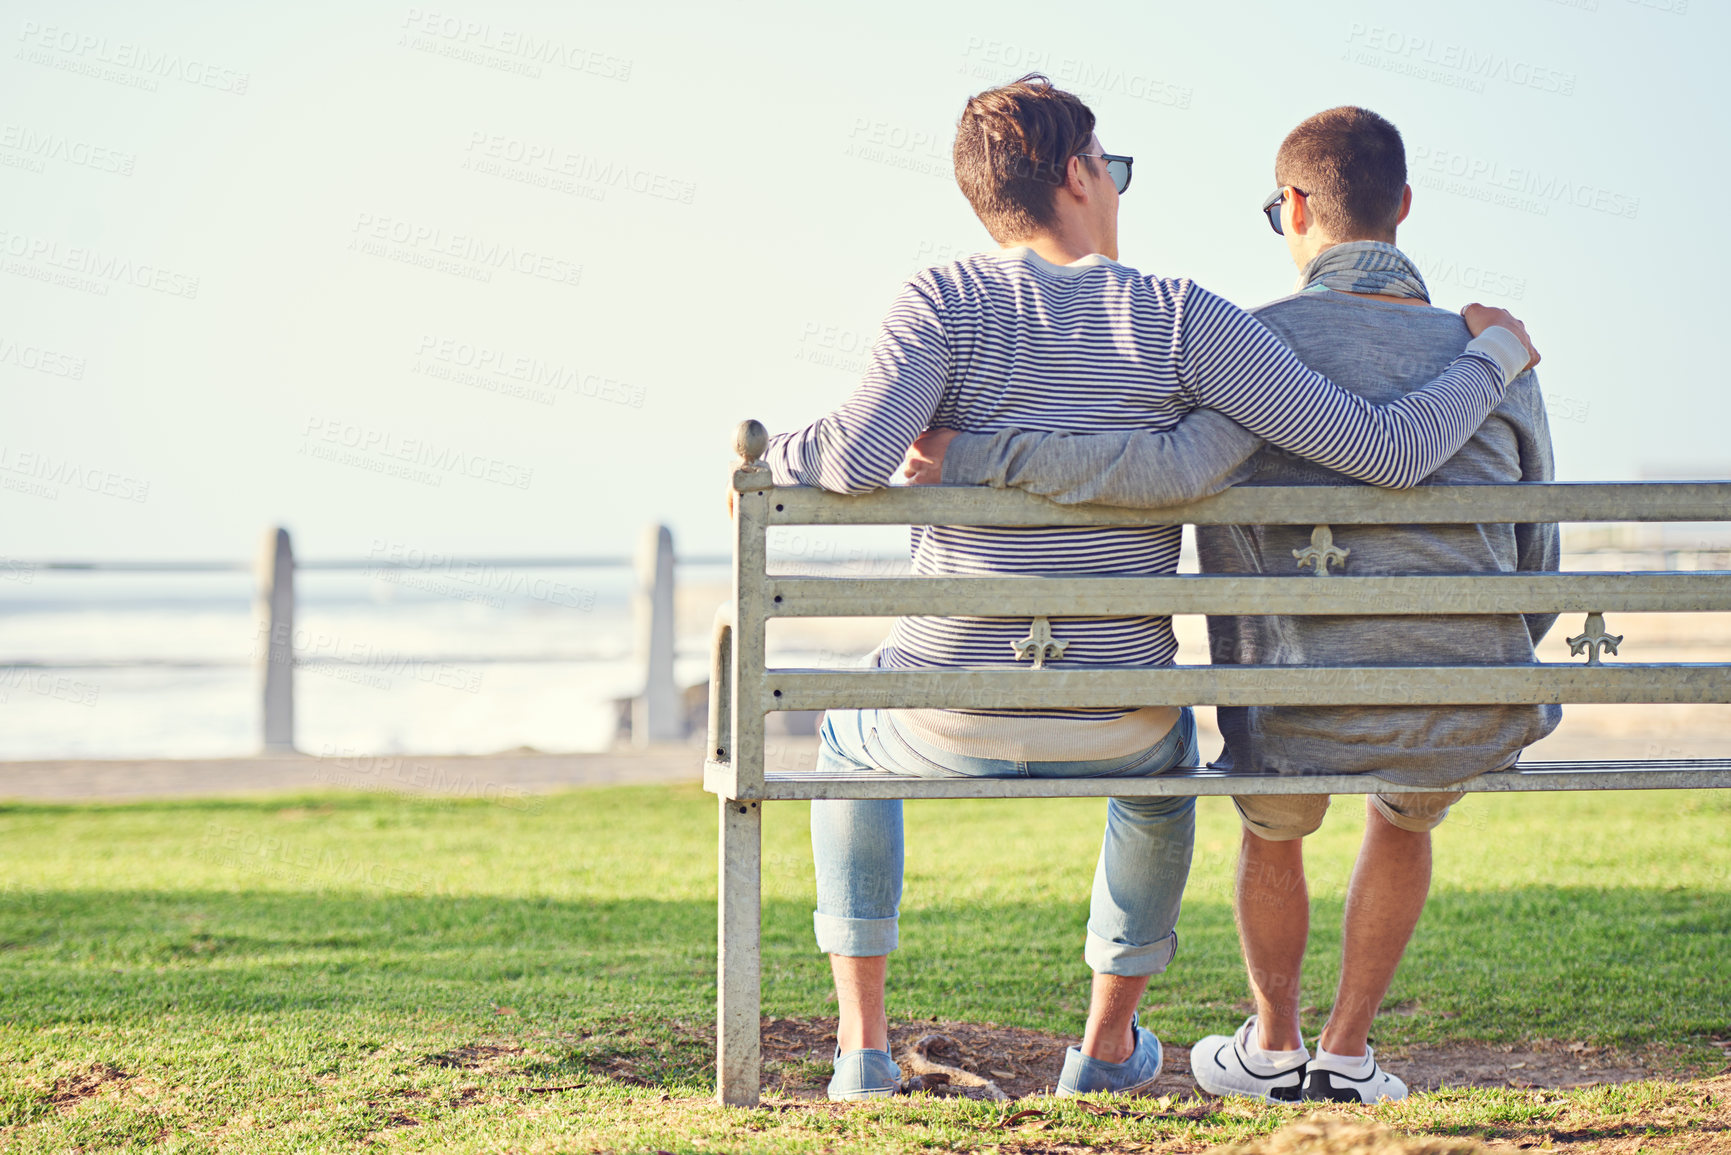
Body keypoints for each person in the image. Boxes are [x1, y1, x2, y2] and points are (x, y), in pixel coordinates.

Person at [759, 76, 1537, 1101]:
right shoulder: (1181, 319)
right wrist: (1496, 359)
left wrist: (773, 451)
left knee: (847, 741)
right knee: (1163, 775)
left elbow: (853, 457)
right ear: (1078, 175)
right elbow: (1385, 450)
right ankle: (1109, 1045)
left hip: (947, 710)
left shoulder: (939, 300)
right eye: (1111, 169)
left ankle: (861, 1049)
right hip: (1117, 710)